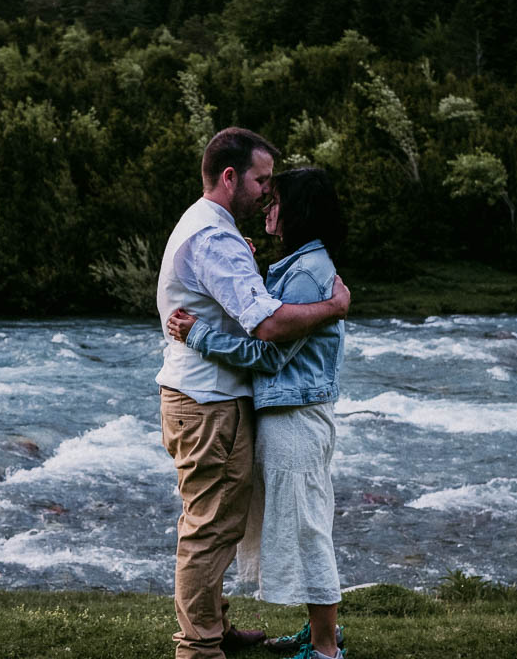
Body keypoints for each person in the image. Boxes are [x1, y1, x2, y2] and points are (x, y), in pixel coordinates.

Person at [156, 128, 350, 659]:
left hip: (222, 398)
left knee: (221, 523)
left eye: (274, 188)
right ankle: (199, 648)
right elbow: (266, 328)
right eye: (262, 179)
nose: (267, 191)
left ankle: (216, 629)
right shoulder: (215, 239)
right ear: (229, 177)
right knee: (209, 526)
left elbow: (262, 319)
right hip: (206, 400)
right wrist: (333, 309)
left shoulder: (218, 233)